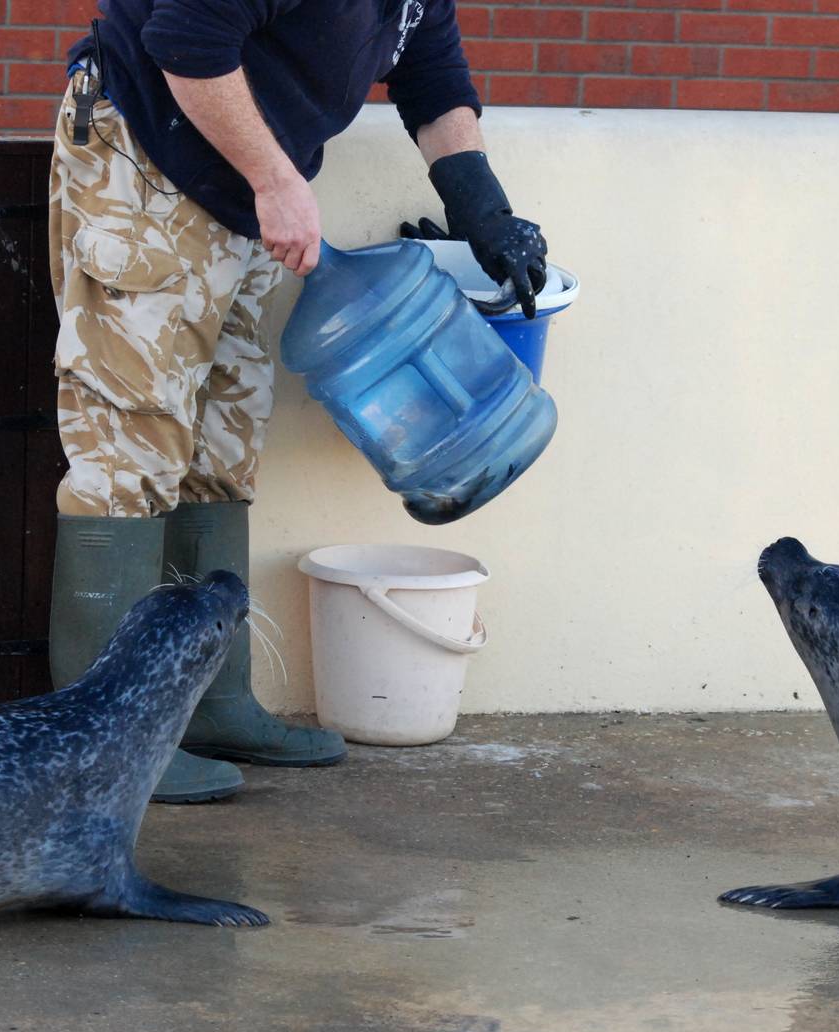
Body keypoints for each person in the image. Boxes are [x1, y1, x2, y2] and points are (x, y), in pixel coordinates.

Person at [47, 0, 548, 803]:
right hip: (144, 156)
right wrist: (276, 179)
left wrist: (485, 215)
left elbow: (431, 74)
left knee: (223, 443)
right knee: (130, 442)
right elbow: (186, 42)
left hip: (239, 185)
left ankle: (209, 701)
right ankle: (102, 743)